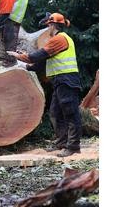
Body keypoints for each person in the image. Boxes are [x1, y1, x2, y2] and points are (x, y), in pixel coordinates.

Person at [8, 12, 82, 157]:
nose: (47, 28)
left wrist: (21, 57)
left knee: (71, 113)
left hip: (67, 80)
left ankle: (73, 146)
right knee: (55, 113)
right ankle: (62, 143)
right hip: (59, 81)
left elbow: (37, 56)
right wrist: (27, 66)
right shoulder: (58, 40)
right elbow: (42, 62)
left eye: (48, 25)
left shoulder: (59, 39)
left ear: (53, 25)